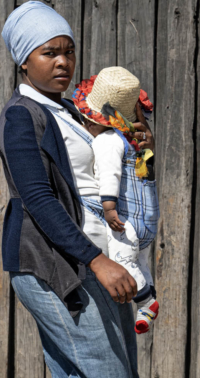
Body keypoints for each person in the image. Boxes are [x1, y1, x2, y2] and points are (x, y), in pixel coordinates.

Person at [0, 1, 152, 378]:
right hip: (51, 264)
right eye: (48, 53)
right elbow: (38, 199)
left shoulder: (74, 114)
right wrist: (96, 260)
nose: (62, 62)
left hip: (94, 260)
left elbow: (99, 183)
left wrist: (137, 151)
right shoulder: (22, 115)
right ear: (24, 61)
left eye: (68, 51)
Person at [73, 67, 160, 334]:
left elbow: (110, 175)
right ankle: (148, 303)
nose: (85, 124)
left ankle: (145, 300)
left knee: (123, 263)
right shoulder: (134, 145)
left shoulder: (107, 141)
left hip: (126, 222)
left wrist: (109, 208)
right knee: (140, 261)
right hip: (147, 222)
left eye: (87, 119)